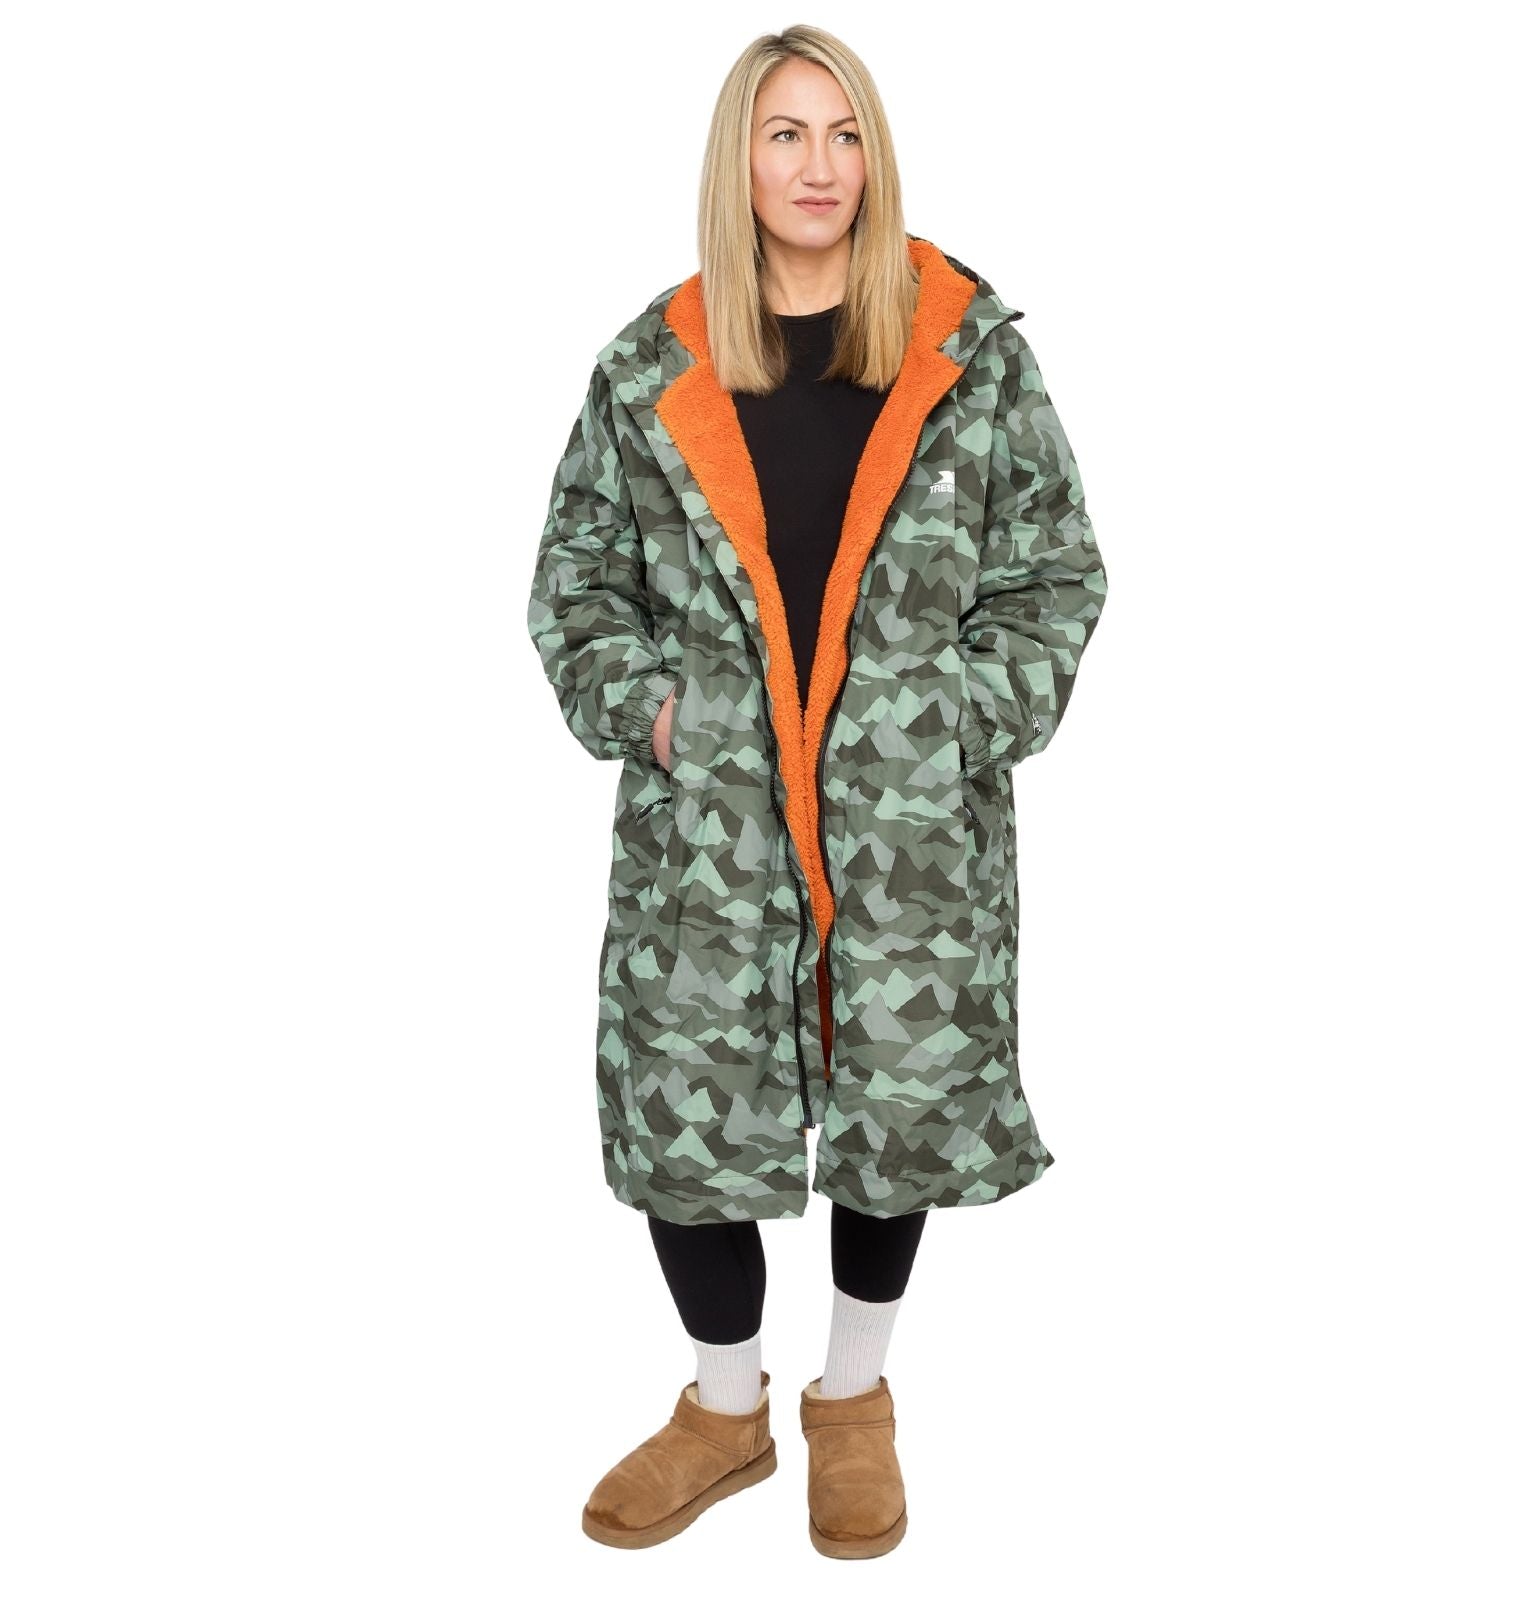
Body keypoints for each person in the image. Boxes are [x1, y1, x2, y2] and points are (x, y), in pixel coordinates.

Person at [528, 24, 1107, 1560]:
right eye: (785, 134)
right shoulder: (650, 371)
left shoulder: (965, 356)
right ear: (740, 158)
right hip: (708, 839)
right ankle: (724, 1410)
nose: (818, 166)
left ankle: (854, 1402)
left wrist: (949, 723)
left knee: (889, 1110)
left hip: (907, 835)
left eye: (845, 134)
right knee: (687, 1115)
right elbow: (577, 591)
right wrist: (658, 719)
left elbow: (1053, 578)